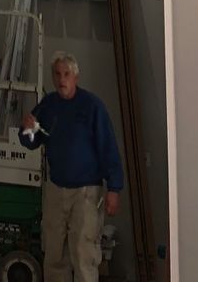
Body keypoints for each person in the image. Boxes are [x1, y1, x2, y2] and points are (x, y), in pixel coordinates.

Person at [21, 52, 124, 282]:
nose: (61, 80)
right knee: (55, 252)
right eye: (57, 74)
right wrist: (27, 128)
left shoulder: (92, 106)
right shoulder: (48, 106)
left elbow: (108, 149)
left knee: (83, 251)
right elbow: (32, 140)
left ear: (75, 76)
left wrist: (114, 189)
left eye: (66, 74)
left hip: (86, 192)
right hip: (56, 189)